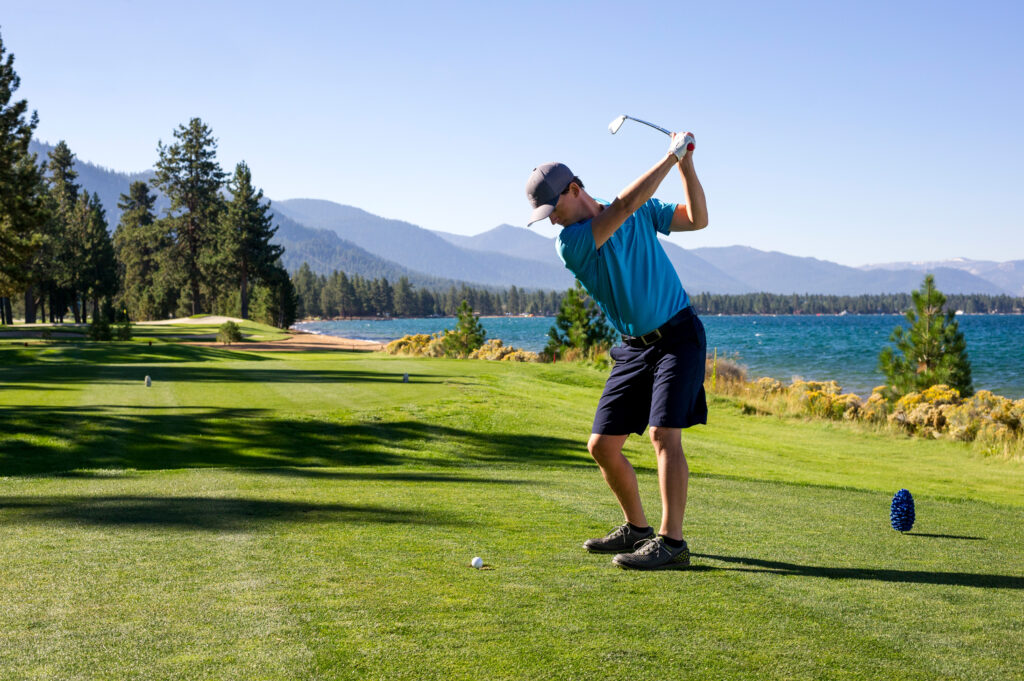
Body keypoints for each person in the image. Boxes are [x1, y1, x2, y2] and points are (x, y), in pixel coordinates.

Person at [525, 130, 708, 570]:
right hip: (633, 349)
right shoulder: (570, 242)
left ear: (574, 189)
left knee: (663, 434)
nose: (551, 221)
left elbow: (697, 219)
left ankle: (672, 543)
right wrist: (670, 157)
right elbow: (623, 207)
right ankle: (637, 528)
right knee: (602, 446)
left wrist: (686, 165)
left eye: (553, 210)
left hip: (678, 336)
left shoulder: (642, 209)